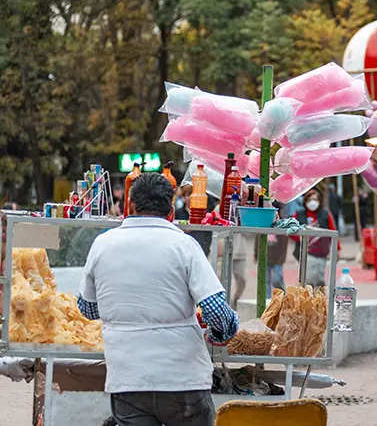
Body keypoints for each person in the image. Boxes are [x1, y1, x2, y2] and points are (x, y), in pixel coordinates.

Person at [77, 173, 238, 426]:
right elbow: (216, 311)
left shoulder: (102, 244)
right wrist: (220, 334)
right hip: (182, 380)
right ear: (171, 211)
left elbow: (87, 308)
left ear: (129, 206)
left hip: (128, 379)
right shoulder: (184, 245)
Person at [293, 188, 340, 287]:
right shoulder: (298, 215)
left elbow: (333, 232)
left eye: (315, 200)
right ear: (305, 202)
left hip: (321, 252)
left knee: (319, 279)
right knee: (307, 279)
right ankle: (307, 299)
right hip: (304, 252)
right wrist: (300, 238)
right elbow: (291, 231)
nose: (312, 202)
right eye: (310, 200)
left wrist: (337, 249)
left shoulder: (325, 215)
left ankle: (320, 300)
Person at [175, 184, 218, 257]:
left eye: (193, 195)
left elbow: (208, 234)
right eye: (188, 195)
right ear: (183, 198)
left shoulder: (205, 214)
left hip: (201, 249)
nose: (191, 198)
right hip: (183, 249)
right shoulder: (178, 213)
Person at [266, 201, 288, 297]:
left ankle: (283, 294)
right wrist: (256, 254)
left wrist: (282, 258)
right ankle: (267, 299)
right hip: (266, 257)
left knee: (277, 278)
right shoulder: (264, 224)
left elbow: (284, 244)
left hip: (278, 258)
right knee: (265, 280)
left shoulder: (282, 226)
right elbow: (258, 241)